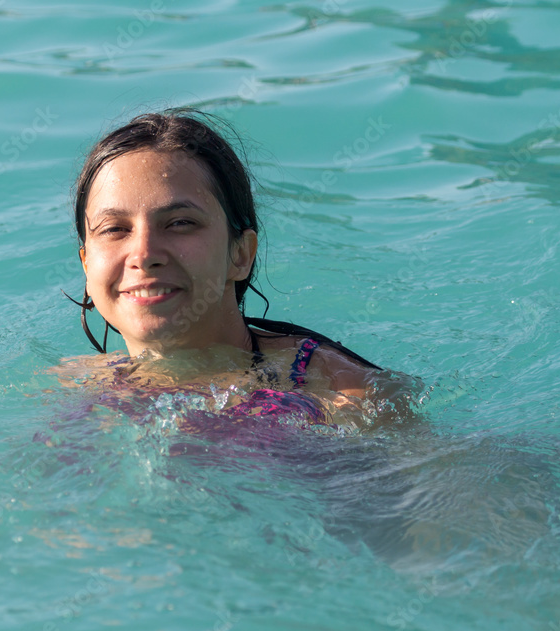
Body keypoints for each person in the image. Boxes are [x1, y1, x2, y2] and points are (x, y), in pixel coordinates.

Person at [58, 108, 413, 428]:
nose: (144, 253)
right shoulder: (79, 390)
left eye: (180, 223)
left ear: (241, 254)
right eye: (115, 229)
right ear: (87, 264)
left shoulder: (345, 394)